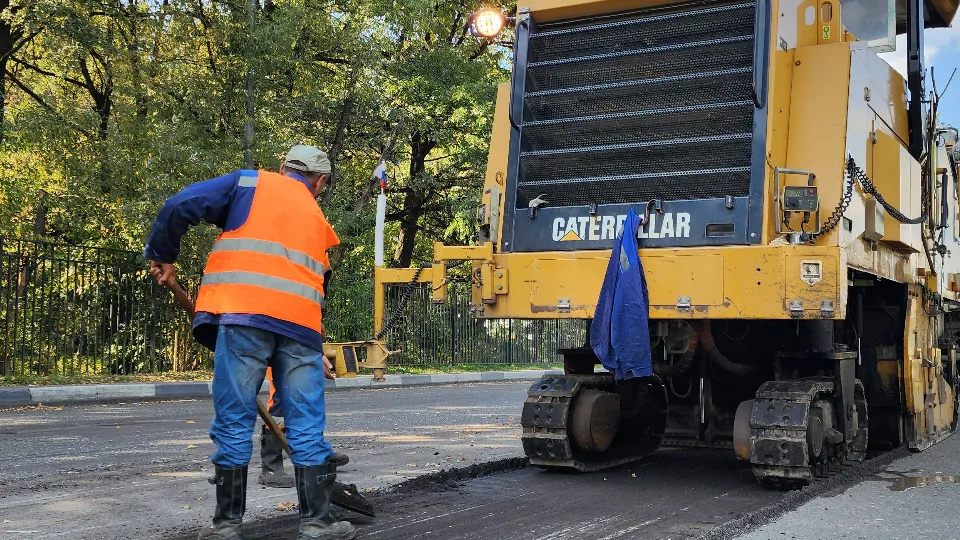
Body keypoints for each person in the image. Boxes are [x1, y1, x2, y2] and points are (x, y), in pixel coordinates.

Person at [144, 145, 356, 540]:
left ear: (282, 168)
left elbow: (179, 205)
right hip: (300, 332)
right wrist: (316, 348)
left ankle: (227, 526)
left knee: (234, 419)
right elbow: (317, 291)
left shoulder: (248, 183)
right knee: (305, 424)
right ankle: (316, 522)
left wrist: (163, 253)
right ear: (320, 182)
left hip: (243, 320)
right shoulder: (319, 223)